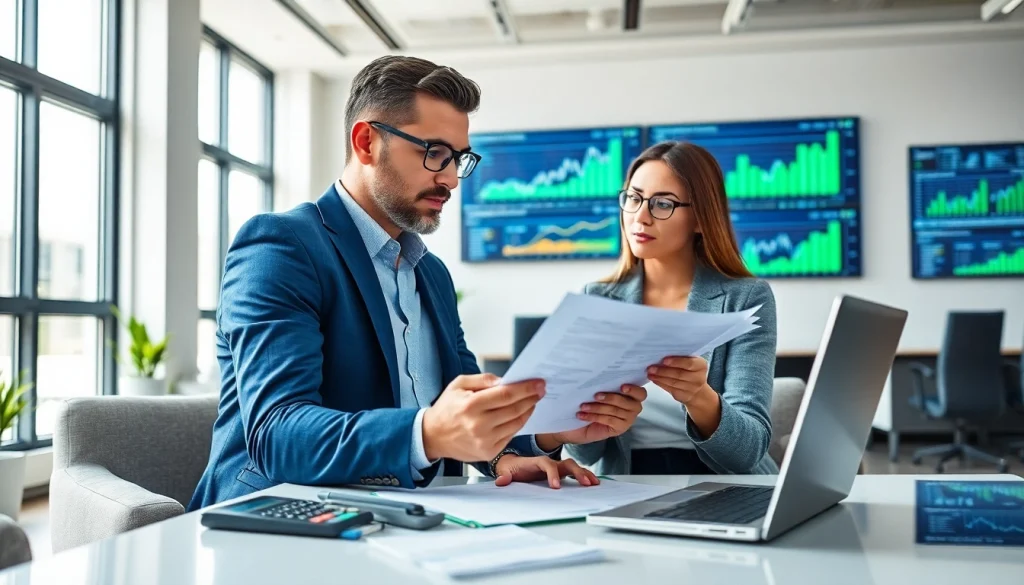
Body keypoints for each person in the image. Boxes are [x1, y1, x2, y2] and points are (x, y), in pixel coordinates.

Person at [188, 56, 646, 511]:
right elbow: (278, 435)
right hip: (274, 521)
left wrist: (542, 436)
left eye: (459, 159)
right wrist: (428, 433)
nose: (449, 178)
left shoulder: (432, 274)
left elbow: (464, 400)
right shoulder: (282, 246)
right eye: (434, 153)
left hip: (412, 519)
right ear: (367, 142)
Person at [559, 141, 779, 476]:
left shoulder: (747, 298)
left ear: (701, 220)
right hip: (627, 481)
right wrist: (580, 407)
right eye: (634, 198)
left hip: (726, 484)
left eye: (663, 204)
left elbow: (748, 452)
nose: (641, 217)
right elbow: (585, 452)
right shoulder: (599, 298)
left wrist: (699, 397)